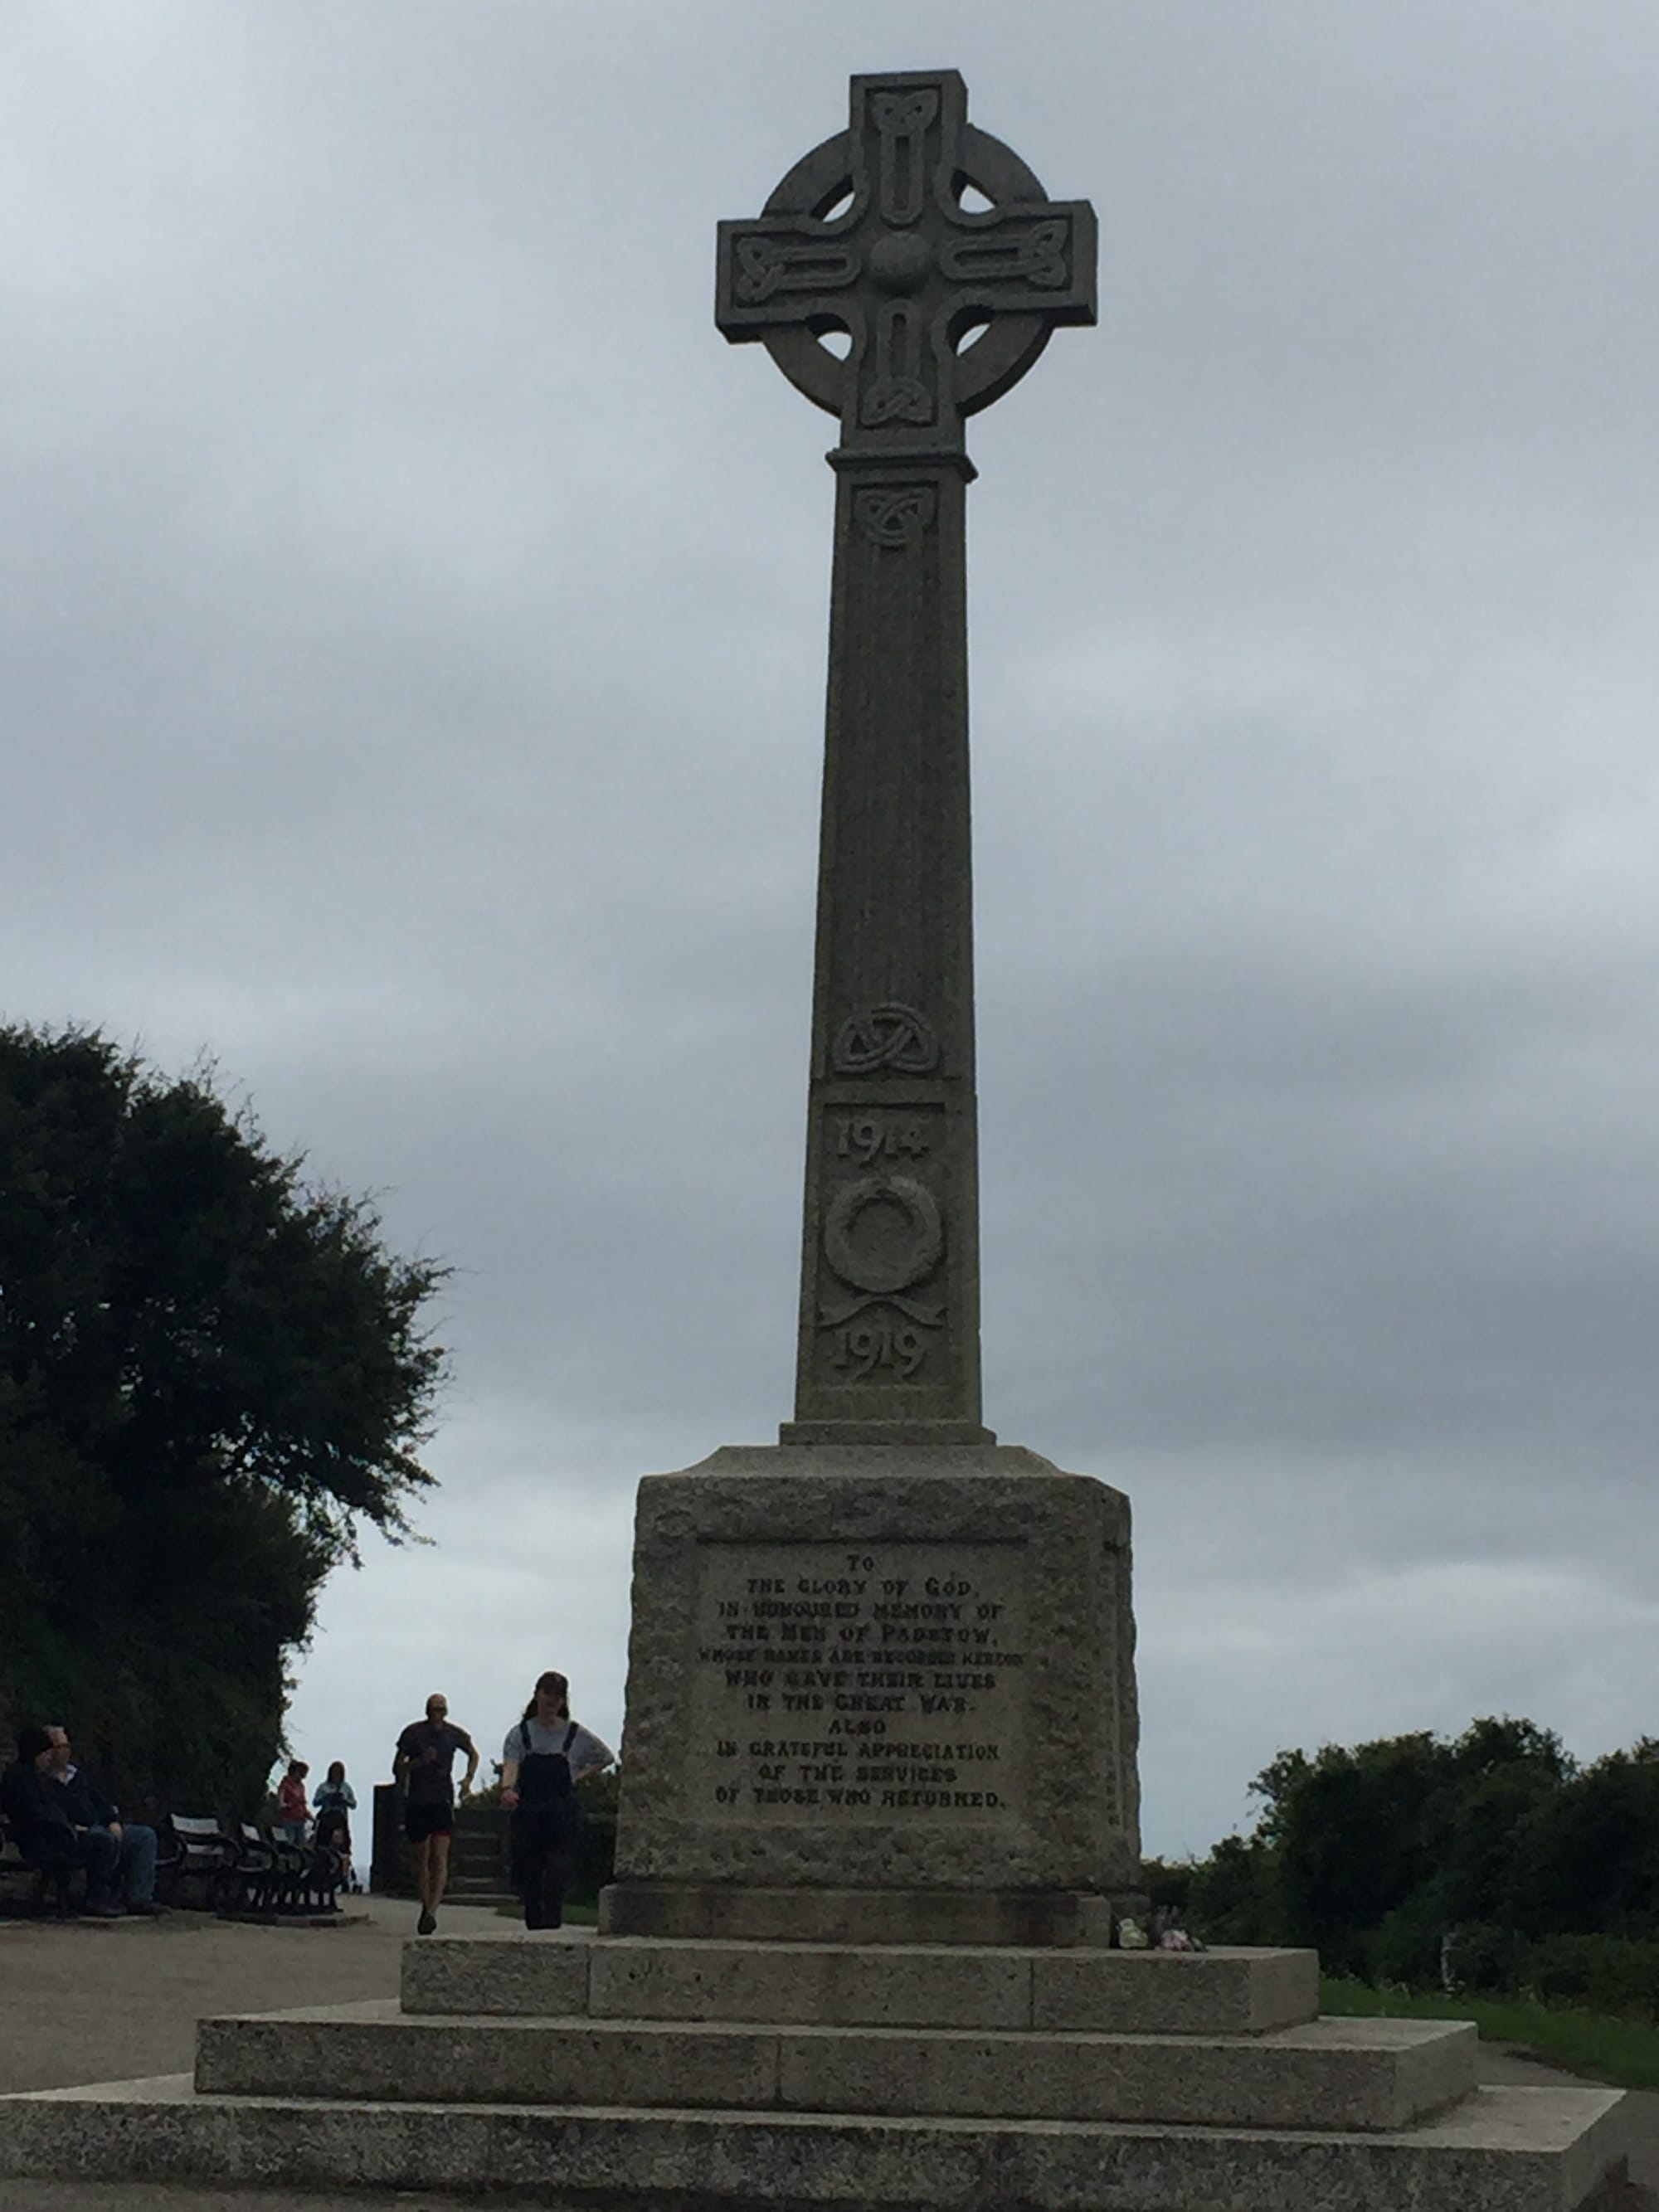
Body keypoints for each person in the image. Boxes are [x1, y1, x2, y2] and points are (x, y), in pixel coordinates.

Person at [499, 1671, 613, 1932]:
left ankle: (553, 1921)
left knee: (558, 1867)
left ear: (564, 1700)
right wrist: (508, 1789)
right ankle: (533, 1921)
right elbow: (511, 1765)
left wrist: (577, 1774)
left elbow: (605, 1757)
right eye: (547, 1692)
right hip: (530, 1810)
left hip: (562, 1810)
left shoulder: (574, 1733)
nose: (552, 1699)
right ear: (537, 1694)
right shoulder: (520, 1734)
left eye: (558, 1695)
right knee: (530, 1867)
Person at [1, 1725, 122, 1918]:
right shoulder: (21, 1779)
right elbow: (35, 1813)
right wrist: (70, 1828)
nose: (50, 1758)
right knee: (101, 1840)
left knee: (104, 1839)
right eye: (46, 1753)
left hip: (54, 1836)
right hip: (39, 1841)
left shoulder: (35, 1778)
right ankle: (95, 1898)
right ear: (36, 1754)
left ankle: (100, 1896)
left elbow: (51, 1810)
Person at [44, 1724, 166, 1915]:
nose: (65, 1752)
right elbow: (51, 1812)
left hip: (100, 1826)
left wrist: (112, 1820)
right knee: (102, 1838)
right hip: (76, 1833)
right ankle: (97, 1898)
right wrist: (75, 1827)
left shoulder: (78, 1776)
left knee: (144, 1836)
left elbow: (101, 1801)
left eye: (67, 1746)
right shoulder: (44, 1782)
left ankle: (139, 1898)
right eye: (60, 1747)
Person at [394, 1693, 478, 1934]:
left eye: (441, 1710)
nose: (437, 1714)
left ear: (446, 1711)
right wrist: (418, 1762)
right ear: (427, 1711)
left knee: (440, 1857)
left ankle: (432, 1911)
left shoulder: (454, 1734)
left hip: (442, 1799)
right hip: (418, 1801)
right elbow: (398, 1768)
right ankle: (425, 1905)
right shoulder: (412, 1734)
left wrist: (468, 1779)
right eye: (433, 1709)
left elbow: (473, 1753)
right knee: (422, 1859)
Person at [311, 1760, 358, 1889]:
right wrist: (327, 1798)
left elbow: (354, 1804)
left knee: (344, 1849)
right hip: (327, 1820)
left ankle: (342, 1878)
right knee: (323, 1848)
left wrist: (344, 1800)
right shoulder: (323, 1787)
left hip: (341, 1821)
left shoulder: (346, 1788)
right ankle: (321, 1876)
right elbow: (315, 1802)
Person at [276, 1759, 310, 1845]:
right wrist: (292, 1805)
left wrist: (311, 1817)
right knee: (290, 1844)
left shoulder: (301, 1787)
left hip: (301, 1821)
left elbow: (303, 1805)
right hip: (289, 1820)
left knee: (302, 1847)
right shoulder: (285, 1784)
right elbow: (281, 1804)